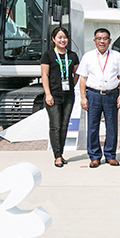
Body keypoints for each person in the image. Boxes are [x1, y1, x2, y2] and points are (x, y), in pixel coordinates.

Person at [77, 28, 120, 167]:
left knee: (111, 126)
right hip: (93, 94)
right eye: (99, 38)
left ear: (109, 41)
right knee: (92, 126)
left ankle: (110, 155)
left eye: (105, 38)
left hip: (111, 95)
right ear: (94, 41)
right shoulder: (88, 56)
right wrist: (83, 97)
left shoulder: (116, 56)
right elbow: (83, 78)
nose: (102, 41)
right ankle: (94, 156)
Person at [40, 27, 79, 168]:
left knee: (64, 125)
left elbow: (76, 73)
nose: (63, 40)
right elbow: (44, 75)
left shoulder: (73, 55)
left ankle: (61, 153)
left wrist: (71, 85)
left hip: (68, 96)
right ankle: (57, 156)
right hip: (54, 95)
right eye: (60, 37)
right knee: (55, 125)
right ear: (53, 39)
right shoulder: (48, 55)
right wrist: (48, 94)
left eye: (65, 37)